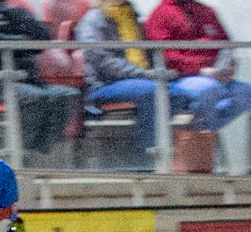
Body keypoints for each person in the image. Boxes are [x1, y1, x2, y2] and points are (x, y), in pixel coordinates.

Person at [0, 0, 80, 154]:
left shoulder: (10, 10)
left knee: (68, 95)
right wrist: (17, 40)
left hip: (27, 80)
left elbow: (42, 38)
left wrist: (23, 20)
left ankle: (38, 151)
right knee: (34, 98)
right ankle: (23, 154)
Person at [77, 0, 185, 167]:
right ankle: (144, 154)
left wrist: (155, 72)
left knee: (178, 94)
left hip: (137, 81)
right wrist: (143, 74)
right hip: (104, 84)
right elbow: (103, 62)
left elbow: (147, 54)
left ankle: (152, 148)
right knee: (155, 92)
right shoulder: (93, 20)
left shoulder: (131, 16)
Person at [143, 0, 251, 134]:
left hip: (216, 76)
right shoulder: (161, 14)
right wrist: (200, 70)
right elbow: (166, 56)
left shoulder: (206, 11)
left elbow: (225, 44)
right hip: (180, 78)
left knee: (246, 92)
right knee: (209, 89)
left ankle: (201, 129)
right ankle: (196, 134)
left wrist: (227, 66)